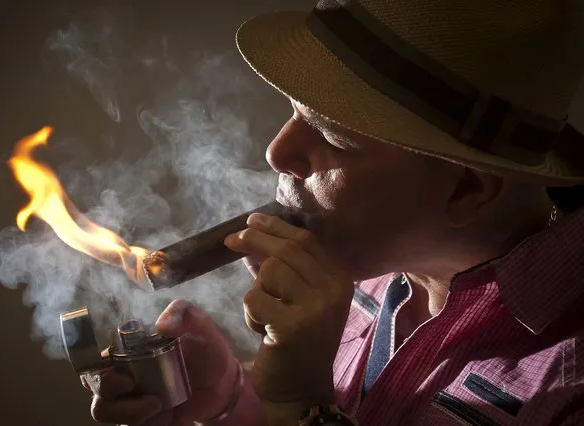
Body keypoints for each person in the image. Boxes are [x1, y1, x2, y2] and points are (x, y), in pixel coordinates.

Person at [81, 0, 584, 424]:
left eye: (329, 136)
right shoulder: (367, 260)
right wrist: (234, 399)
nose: (277, 153)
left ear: (468, 189)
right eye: (294, 113)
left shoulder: (567, 381)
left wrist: (299, 406)